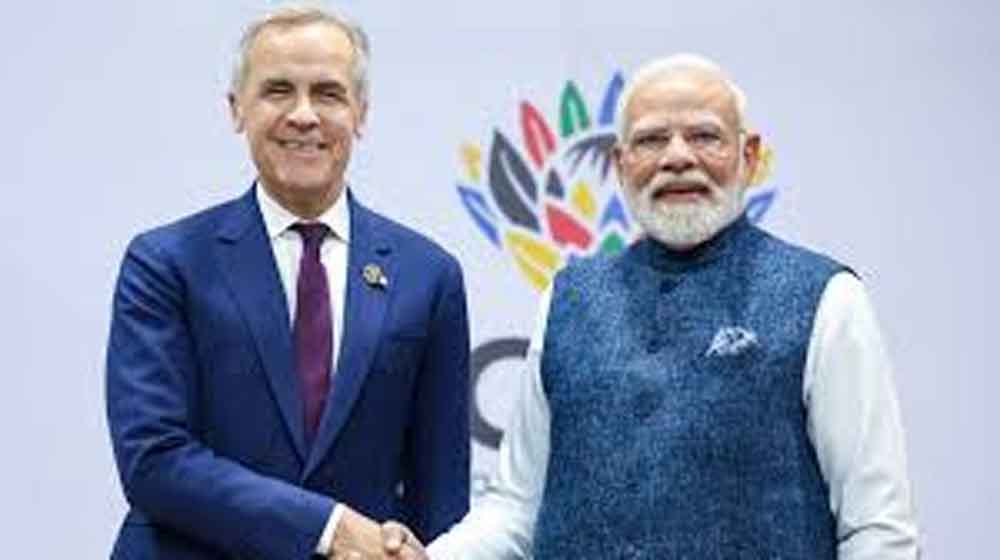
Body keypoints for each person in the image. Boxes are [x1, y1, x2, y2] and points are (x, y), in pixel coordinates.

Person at [380, 54, 920, 559]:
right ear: (620, 164)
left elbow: (877, 527)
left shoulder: (827, 298)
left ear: (749, 156)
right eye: (651, 139)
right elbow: (518, 508)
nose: (677, 157)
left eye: (705, 136)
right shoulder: (568, 299)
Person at [105, 5, 469, 559]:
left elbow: (441, 497)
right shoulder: (165, 263)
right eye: (278, 91)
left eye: (328, 93)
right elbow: (153, 457)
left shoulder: (429, 276)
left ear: (360, 113)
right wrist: (328, 528)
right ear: (237, 108)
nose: (303, 115)